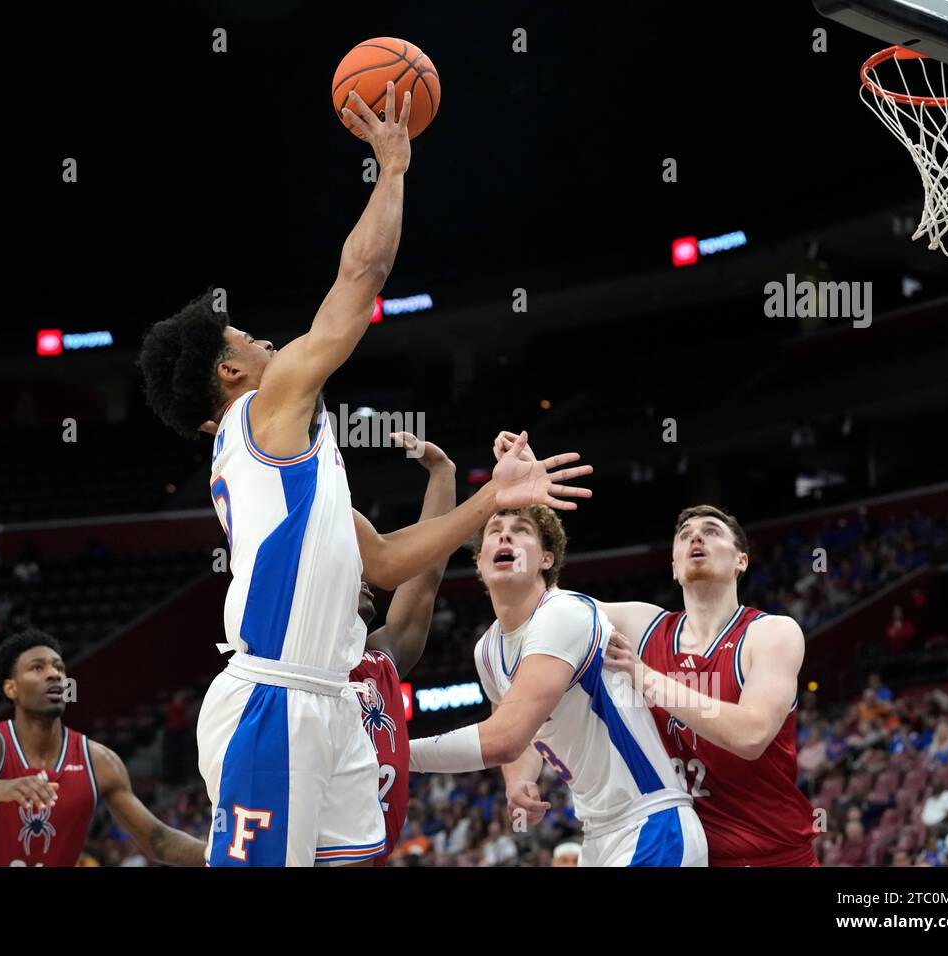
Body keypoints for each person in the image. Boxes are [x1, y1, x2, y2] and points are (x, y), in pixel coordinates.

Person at [138, 83, 590, 867]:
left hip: (332, 705)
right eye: (249, 337)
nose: (270, 343)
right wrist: (393, 169)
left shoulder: (285, 467)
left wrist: (491, 496)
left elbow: (381, 563)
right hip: (271, 701)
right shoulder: (261, 414)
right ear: (229, 369)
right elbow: (358, 284)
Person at [408, 505, 707, 867]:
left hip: (652, 822)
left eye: (521, 530)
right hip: (596, 834)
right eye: (495, 530)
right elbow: (517, 728)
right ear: (479, 562)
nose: (505, 535)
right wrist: (519, 781)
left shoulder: (562, 614)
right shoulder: (487, 651)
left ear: (546, 559)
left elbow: (505, 737)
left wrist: (400, 754)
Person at [600, 504, 818, 866]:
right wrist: (508, 500)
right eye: (684, 536)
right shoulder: (642, 625)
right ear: (673, 567)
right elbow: (549, 610)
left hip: (768, 855)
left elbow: (751, 735)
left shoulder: (771, 633)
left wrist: (648, 678)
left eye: (712, 531)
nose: (696, 537)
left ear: (741, 562)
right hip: (680, 855)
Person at [0, 628, 204, 866]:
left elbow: (158, 841)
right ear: (11, 688)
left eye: (59, 667)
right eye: (38, 668)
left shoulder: (99, 761)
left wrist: (225, 855)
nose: (54, 675)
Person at [351, 432, 455, 864]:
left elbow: (426, 572)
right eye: (353, 569)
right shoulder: (294, 663)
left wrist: (442, 474)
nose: (367, 577)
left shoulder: (381, 659)